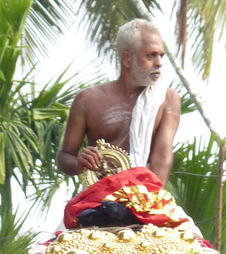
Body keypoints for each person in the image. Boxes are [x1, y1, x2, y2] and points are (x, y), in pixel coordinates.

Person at [56, 19, 181, 185]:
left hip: (145, 196)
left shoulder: (167, 100)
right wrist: (79, 163)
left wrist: (145, 203)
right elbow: (64, 156)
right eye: (151, 55)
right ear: (127, 59)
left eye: (161, 55)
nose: (159, 63)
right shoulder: (87, 100)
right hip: (97, 197)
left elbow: (162, 157)